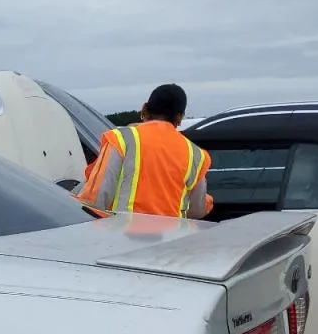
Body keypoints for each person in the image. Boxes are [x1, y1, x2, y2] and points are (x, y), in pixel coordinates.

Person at [73, 83, 213, 229]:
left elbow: (94, 199)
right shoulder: (196, 154)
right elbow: (197, 210)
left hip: (122, 240)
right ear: (179, 117)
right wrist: (207, 201)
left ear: (144, 108)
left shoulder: (121, 139)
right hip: (170, 243)